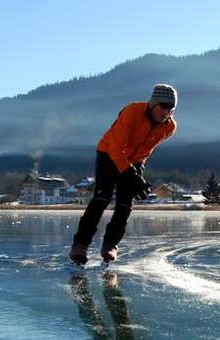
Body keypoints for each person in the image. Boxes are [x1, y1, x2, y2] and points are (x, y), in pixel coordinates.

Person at [69, 84, 178, 265]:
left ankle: (111, 244)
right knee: (101, 199)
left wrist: (137, 175)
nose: (167, 112)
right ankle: (79, 245)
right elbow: (115, 148)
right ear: (153, 104)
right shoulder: (132, 112)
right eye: (163, 106)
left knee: (125, 203)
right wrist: (128, 173)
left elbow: (146, 149)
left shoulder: (169, 127)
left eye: (171, 108)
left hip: (135, 160)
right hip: (108, 153)